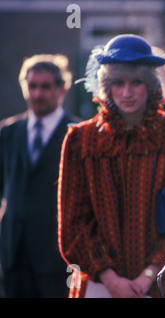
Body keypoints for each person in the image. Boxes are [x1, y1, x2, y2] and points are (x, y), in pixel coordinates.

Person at [58, 34, 165, 298]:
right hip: (99, 286)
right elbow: (72, 226)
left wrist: (149, 274)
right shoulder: (80, 139)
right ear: (106, 85)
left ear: (150, 84)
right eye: (118, 82)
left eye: (136, 82)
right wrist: (110, 278)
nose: (127, 93)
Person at [0, 54, 78, 297]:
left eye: (45, 86)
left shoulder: (77, 135)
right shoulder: (8, 132)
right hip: (14, 256)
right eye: (32, 86)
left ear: (61, 89)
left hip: (57, 259)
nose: (37, 94)